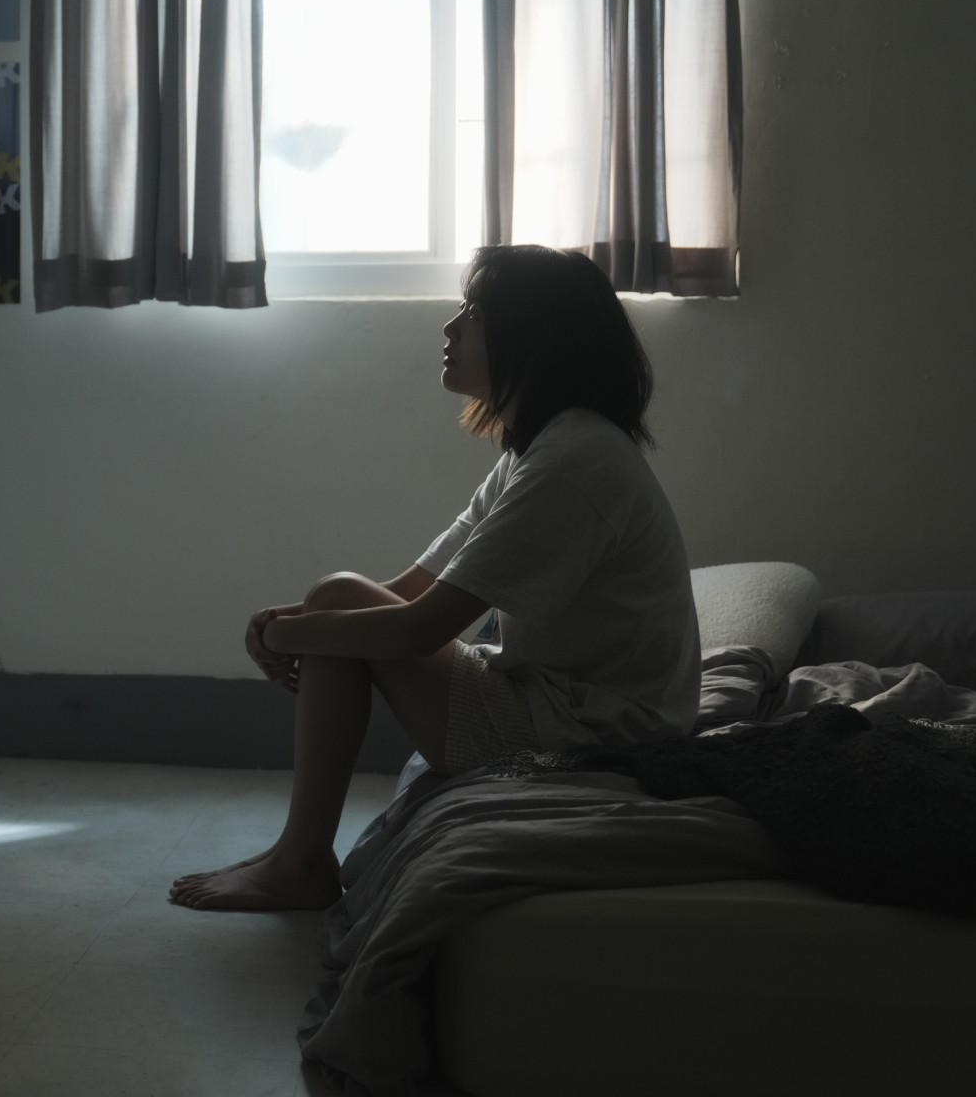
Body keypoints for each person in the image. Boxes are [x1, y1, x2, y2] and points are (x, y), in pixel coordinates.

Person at [169, 246, 702, 911]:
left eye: (473, 312)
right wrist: (292, 625)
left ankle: (300, 860)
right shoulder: (544, 449)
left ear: (531, 337)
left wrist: (285, 635)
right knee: (337, 600)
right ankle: (297, 855)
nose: (450, 328)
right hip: (563, 704)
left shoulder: (573, 462)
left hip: (595, 736)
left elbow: (418, 630)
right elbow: (411, 591)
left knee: (337, 604)